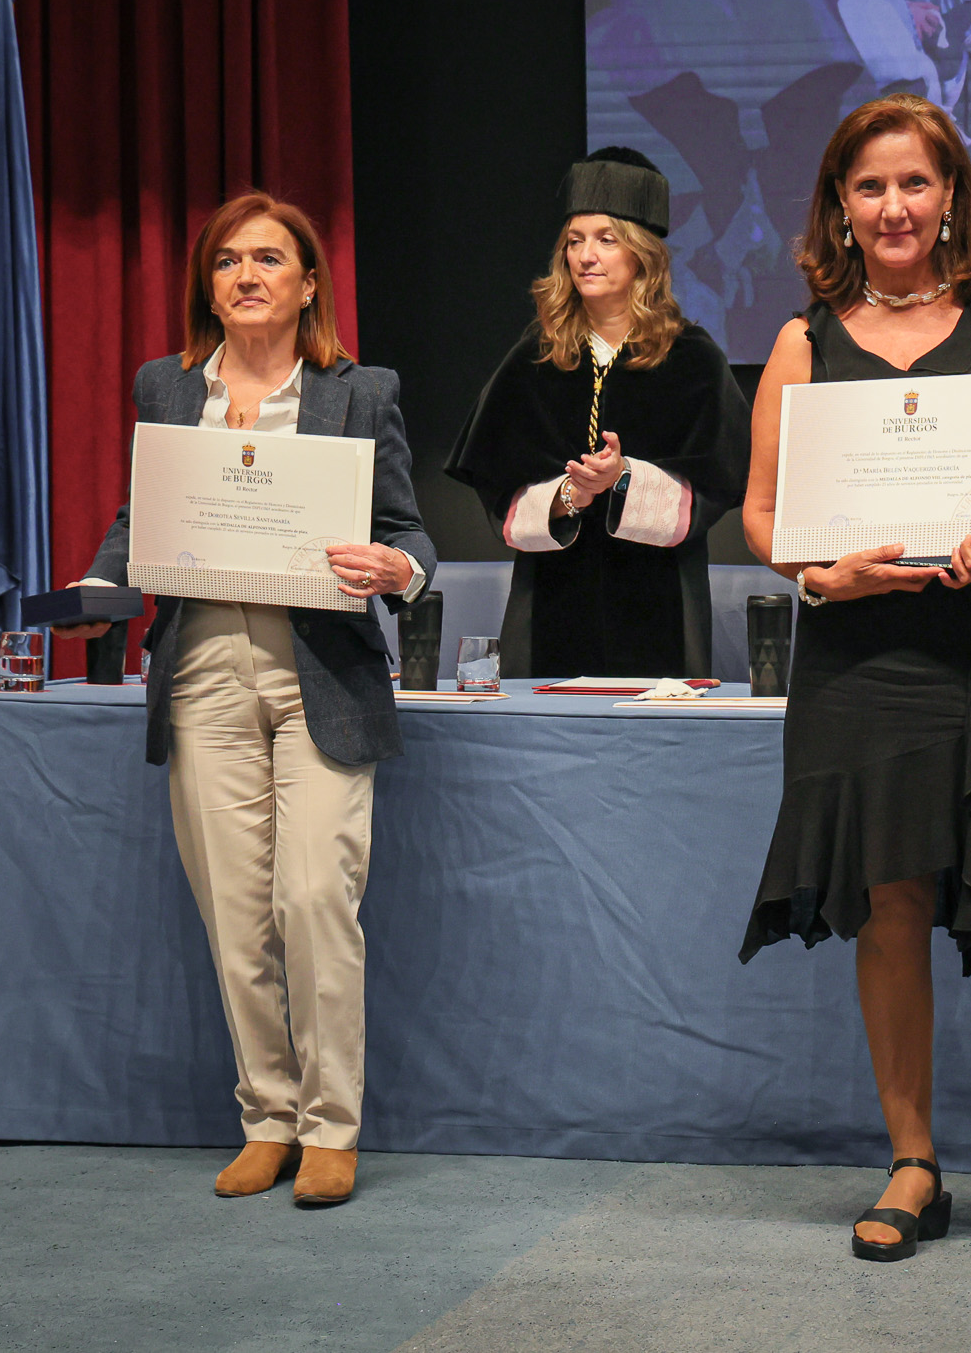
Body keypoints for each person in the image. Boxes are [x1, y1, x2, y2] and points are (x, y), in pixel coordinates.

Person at [738, 93, 971, 1268]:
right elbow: (761, 516)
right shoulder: (803, 342)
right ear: (838, 207)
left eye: (914, 182)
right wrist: (820, 574)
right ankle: (911, 1159)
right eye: (869, 187)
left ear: (949, 196)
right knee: (888, 899)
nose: (893, 206)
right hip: (861, 656)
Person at [56, 192, 437, 1206]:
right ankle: (267, 1117)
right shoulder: (167, 385)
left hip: (323, 674)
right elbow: (140, 518)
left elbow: (409, 531)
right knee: (234, 912)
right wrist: (98, 588)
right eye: (227, 260)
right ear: (208, 286)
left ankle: (331, 1127)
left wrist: (397, 568)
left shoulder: (361, 392)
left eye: (269, 258)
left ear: (309, 283)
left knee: (312, 897)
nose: (247, 275)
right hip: (202, 670)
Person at [445, 147, 750, 679]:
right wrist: (570, 496)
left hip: (661, 605)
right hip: (549, 605)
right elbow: (498, 482)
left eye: (607, 240)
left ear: (642, 253)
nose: (586, 256)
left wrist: (624, 478)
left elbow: (717, 483)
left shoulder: (692, 359)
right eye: (575, 240)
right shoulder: (536, 358)